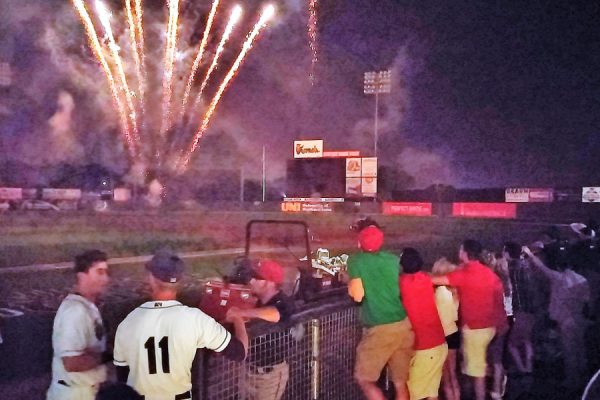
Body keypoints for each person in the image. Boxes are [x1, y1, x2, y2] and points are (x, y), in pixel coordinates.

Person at [113, 251, 249, 400]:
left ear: (151, 279)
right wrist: (238, 319)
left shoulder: (128, 322)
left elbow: (122, 377)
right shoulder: (195, 319)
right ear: (180, 280)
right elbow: (239, 352)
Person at [431, 240, 505, 400]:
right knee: (473, 365)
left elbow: (436, 280)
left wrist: (412, 276)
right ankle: (493, 380)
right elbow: (499, 301)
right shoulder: (489, 274)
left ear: (464, 253)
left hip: (475, 329)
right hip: (490, 327)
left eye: (460, 250)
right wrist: (501, 325)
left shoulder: (465, 274)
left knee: (476, 370)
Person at [347, 225, 414, 400]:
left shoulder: (357, 261)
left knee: (364, 379)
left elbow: (357, 295)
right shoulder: (393, 260)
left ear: (359, 242)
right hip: (403, 324)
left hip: (380, 328)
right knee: (400, 382)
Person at [523, 243, 591, 392]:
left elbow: (542, 268)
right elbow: (587, 302)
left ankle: (572, 382)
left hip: (566, 321)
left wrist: (530, 254)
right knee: (580, 350)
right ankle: (585, 379)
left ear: (559, 266)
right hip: (579, 319)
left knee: (569, 353)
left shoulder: (559, 278)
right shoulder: (582, 280)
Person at [46, 250, 112, 400]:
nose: (106, 279)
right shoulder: (75, 311)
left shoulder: (87, 307)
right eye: (99, 272)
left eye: (106, 272)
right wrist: (110, 354)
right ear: (82, 276)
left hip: (83, 391)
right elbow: (72, 363)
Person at [226, 259, 295, 400]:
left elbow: (275, 313)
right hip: (249, 371)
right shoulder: (256, 300)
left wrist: (241, 313)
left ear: (269, 282)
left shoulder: (283, 301)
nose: (251, 281)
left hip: (270, 374)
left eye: (256, 278)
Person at [398, 248, 448, 400]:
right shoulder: (425, 278)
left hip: (425, 348)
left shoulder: (402, 283)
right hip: (439, 344)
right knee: (432, 393)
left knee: (415, 393)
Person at [503, 241, 535, 374]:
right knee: (526, 340)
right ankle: (529, 367)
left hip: (521, 310)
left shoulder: (512, 268)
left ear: (508, 253)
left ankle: (523, 369)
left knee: (512, 344)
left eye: (504, 251)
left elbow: (511, 289)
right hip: (531, 309)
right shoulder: (526, 265)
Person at [431, 257, 461, 400]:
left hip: (442, 335)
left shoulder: (440, 292)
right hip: (453, 333)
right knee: (452, 374)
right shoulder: (455, 291)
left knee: (445, 376)